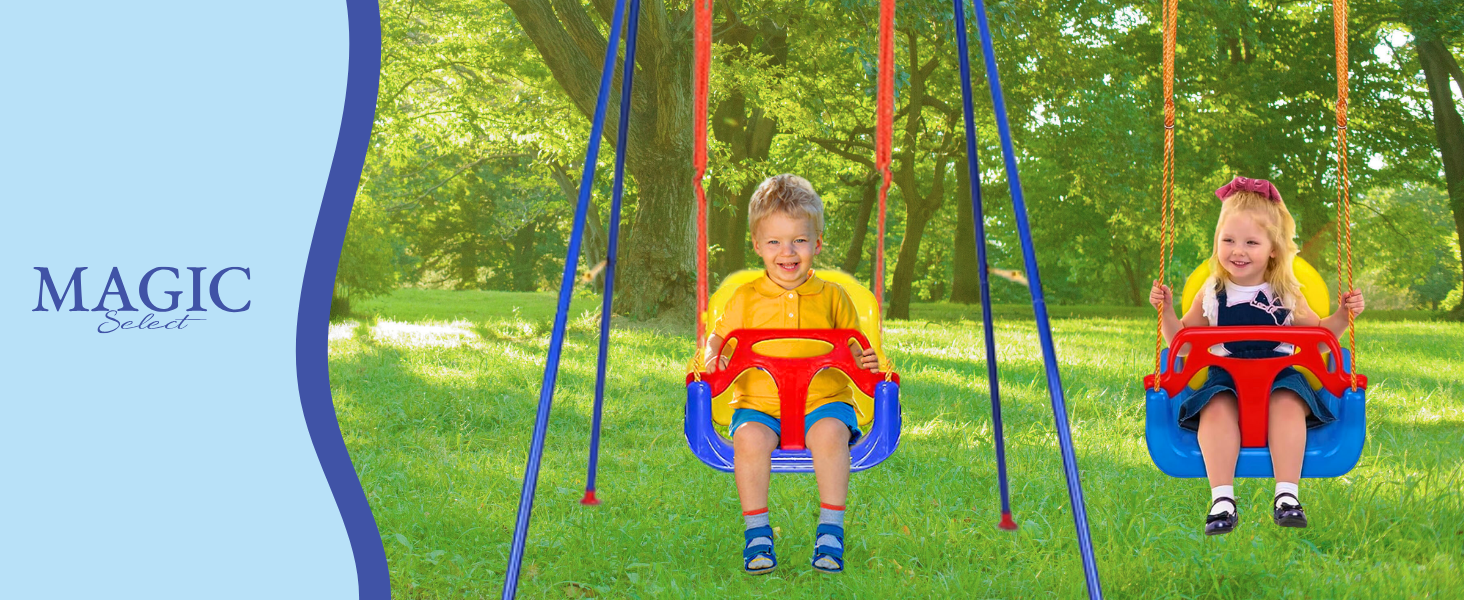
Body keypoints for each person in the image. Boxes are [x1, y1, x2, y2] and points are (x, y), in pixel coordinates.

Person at [1150, 176, 1365, 535]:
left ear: (1273, 249)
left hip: (1280, 374)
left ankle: (1287, 495)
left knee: (1287, 405)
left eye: (1251, 242)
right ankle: (1222, 498)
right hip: (1224, 376)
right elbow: (1182, 345)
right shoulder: (1212, 290)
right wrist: (1168, 312)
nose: (1238, 250)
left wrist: (1344, 315)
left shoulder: (1286, 291)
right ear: (1217, 243)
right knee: (1215, 410)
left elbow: (1323, 338)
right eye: (1228, 240)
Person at [704, 174, 880, 574]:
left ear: (816, 243)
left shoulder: (833, 296)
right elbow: (718, 338)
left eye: (799, 240)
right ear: (757, 245)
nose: (788, 252)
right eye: (774, 242)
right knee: (747, 438)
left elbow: (855, 348)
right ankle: (758, 532)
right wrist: (712, 356)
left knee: (831, 434)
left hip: (823, 402)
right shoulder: (744, 298)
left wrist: (866, 361)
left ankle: (830, 530)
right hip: (760, 405)